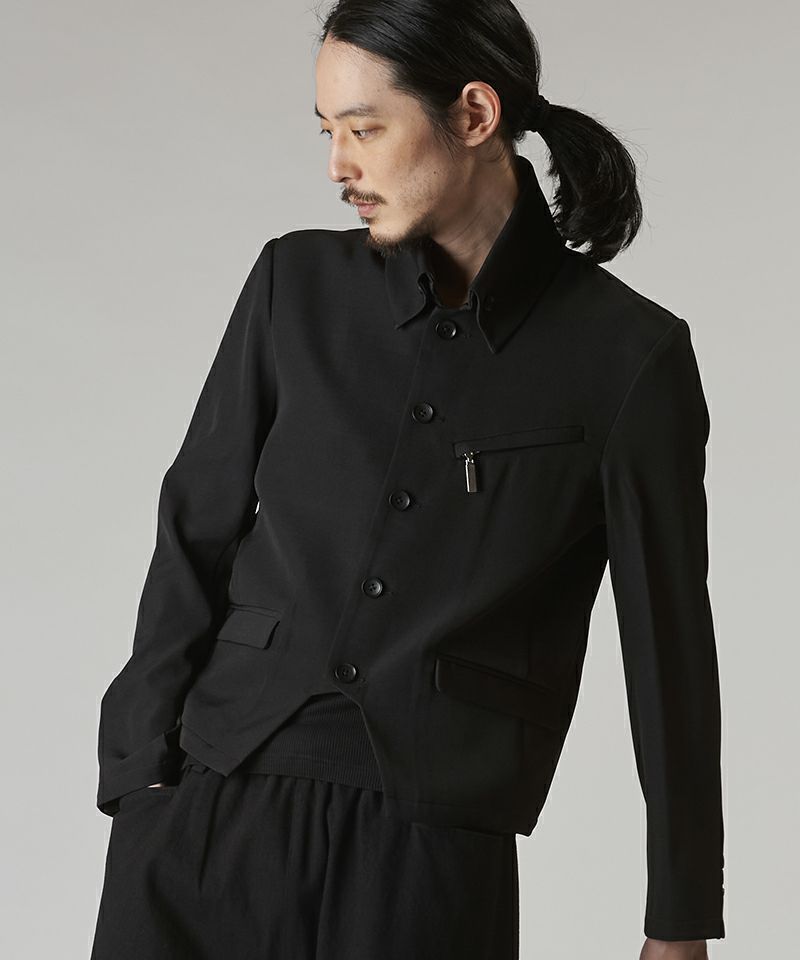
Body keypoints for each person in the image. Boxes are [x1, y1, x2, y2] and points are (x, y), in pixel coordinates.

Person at [91, 2, 725, 958]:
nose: (338, 165)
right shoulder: (294, 286)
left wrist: (679, 922)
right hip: (207, 817)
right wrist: (138, 777)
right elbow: (194, 529)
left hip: (429, 858)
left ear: (473, 115)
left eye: (364, 128)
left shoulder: (628, 358)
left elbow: (669, 652)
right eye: (327, 132)